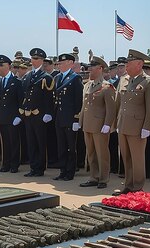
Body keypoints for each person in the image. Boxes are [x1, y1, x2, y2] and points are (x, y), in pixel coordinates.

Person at [113, 49, 150, 195]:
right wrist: (117, 123)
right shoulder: (124, 80)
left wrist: (147, 127)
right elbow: (118, 104)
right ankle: (128, 185)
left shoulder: (148, 82)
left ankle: (137, 187)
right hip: (124, 125)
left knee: (137, 159)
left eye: (129, 63)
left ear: (139, 64)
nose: (126, 66)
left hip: (138, 127)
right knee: (126, 157)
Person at [78, 56, 118, 189]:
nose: (89, 69)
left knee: (102, 153)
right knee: (91, 153)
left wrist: (108, 124)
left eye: (92, 67)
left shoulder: (107, 87)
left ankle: (103, 178)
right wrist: (81, 120)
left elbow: (111, 108)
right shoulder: (87, 85)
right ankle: (93, 177)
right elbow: (84, 106)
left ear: (100, 68)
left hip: (100, 126)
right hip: (88, 124)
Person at [21, 48, 55, 177]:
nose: (33, 61)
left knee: (41, 142)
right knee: (31, 142)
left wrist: (48, 112)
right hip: (29, 114)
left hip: (40, 114)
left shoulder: (46, 77)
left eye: (36, 59)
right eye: (32, 58)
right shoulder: (29, 75)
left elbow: (49, 97)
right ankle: (33, 167)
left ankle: (40, 167)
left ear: (41, 60)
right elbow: (25, 94)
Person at [52, 53, 83, 181]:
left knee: (71, 147)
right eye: (59, 63)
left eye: (62, 63)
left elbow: (78, 100)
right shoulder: (58, 77)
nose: (60, 65)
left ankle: (70, 172)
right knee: (61, 146)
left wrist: (76, 118)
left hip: (70, 118)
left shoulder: (75, 78)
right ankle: (62, 170)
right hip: (59, 117)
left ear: (71, 63)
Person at [0, 54, 23, 173]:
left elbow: (21, 101)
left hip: (12, 118)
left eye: (1, 65)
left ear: (9, 66)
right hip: (1, 117)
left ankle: (14, 165)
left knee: (14, 142)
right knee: (4, 142)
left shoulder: (16, 82)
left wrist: (19, 116)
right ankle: (5, 165)